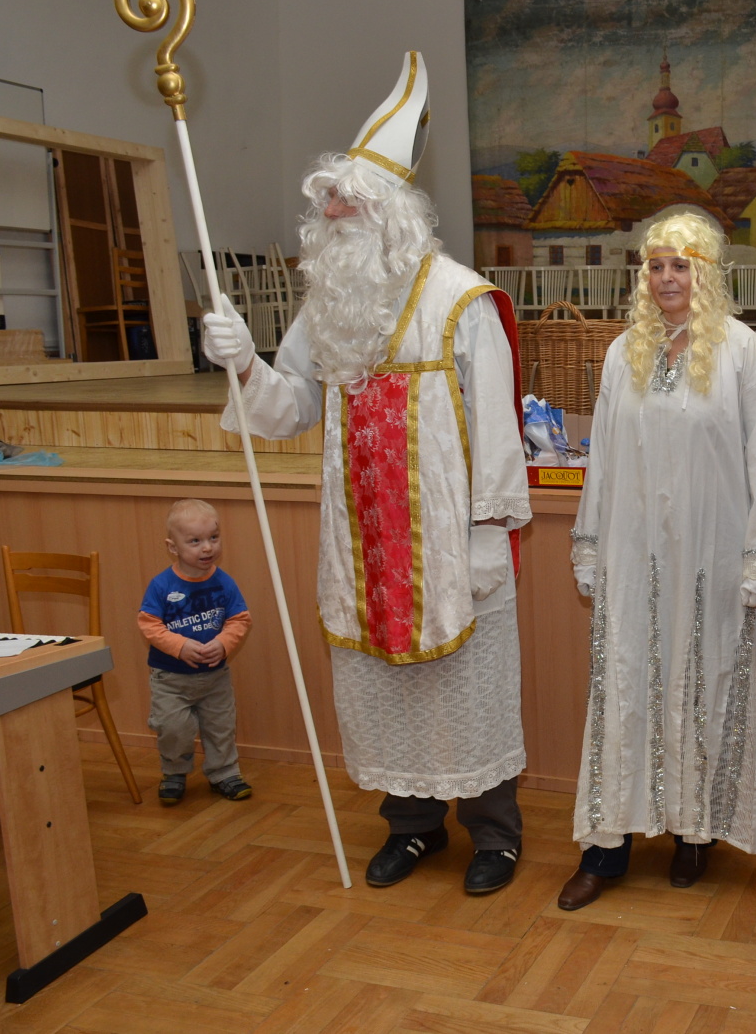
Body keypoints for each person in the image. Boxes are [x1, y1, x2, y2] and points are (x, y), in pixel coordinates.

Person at [201, 52, 531, 895]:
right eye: (324, 202)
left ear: (389, 210)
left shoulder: (461, 300)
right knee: (386, 687)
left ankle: (495, 837)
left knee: (468, 688)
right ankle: (412, 828)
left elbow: (497, 431)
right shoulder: (328, 307)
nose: (330, 214)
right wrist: (243, 364)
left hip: (451, 543)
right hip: (365, 543)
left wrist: (489, 533)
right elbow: (287, 410)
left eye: (344, 199)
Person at [558, 212, 756, 911]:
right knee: (625, 688)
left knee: (707, 683)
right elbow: (603, 460)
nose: (668, 278)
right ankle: (606, 849)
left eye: (681, 264)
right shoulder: (623, 353)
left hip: (712, 557)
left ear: (707, 272)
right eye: (657, 265)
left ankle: (696, 834)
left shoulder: (743, 352)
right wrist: (592, 545)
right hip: (634, 558)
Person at [137, 498, 253, 806]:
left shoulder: (224, 582)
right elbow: (149, 625)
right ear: (172, 547)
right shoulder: (162, 585)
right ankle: (174, 772)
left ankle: (224, 773)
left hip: (215, 677)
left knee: (221, 727)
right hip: (171, 679)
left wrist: (224, 643)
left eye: (213, 538)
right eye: (195, 541)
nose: (207, 548)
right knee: (173, 729)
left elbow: (239, 619)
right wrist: (179, 646)